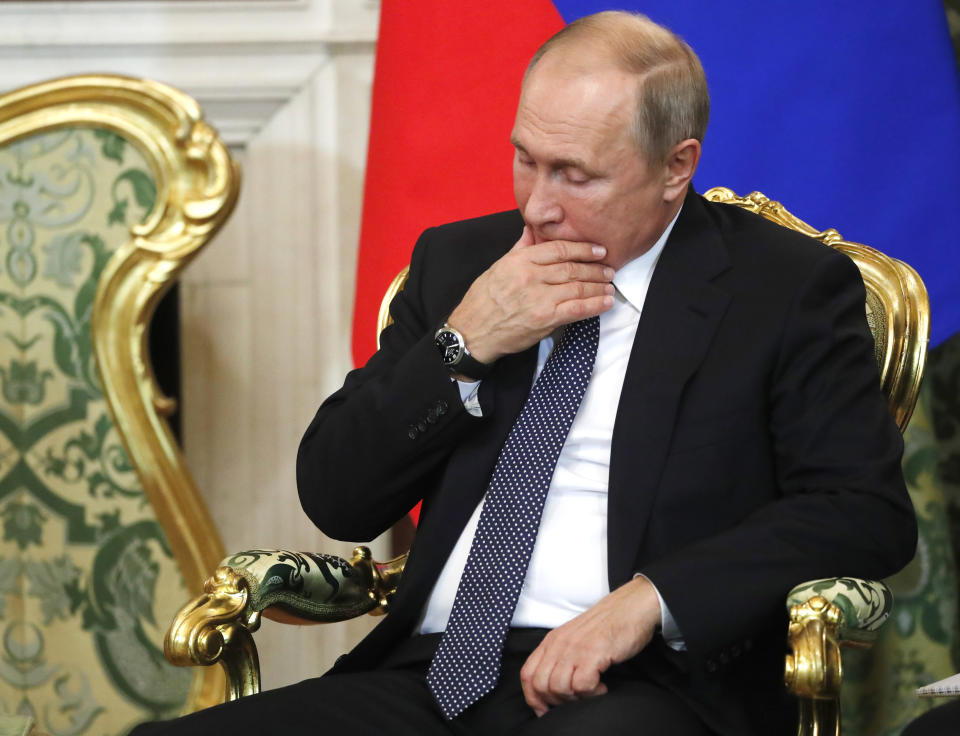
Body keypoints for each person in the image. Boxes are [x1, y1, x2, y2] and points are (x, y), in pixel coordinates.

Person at [131, 10, 916, 736]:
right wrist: (464, 342)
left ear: (676, 168)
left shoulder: (779, 289)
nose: (537, 207)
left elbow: (862, 510)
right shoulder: (462, 265)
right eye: (524, 160)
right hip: (428, 678)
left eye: (575, 175)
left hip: (648, 686)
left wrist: (650, 601)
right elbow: (336, 495)